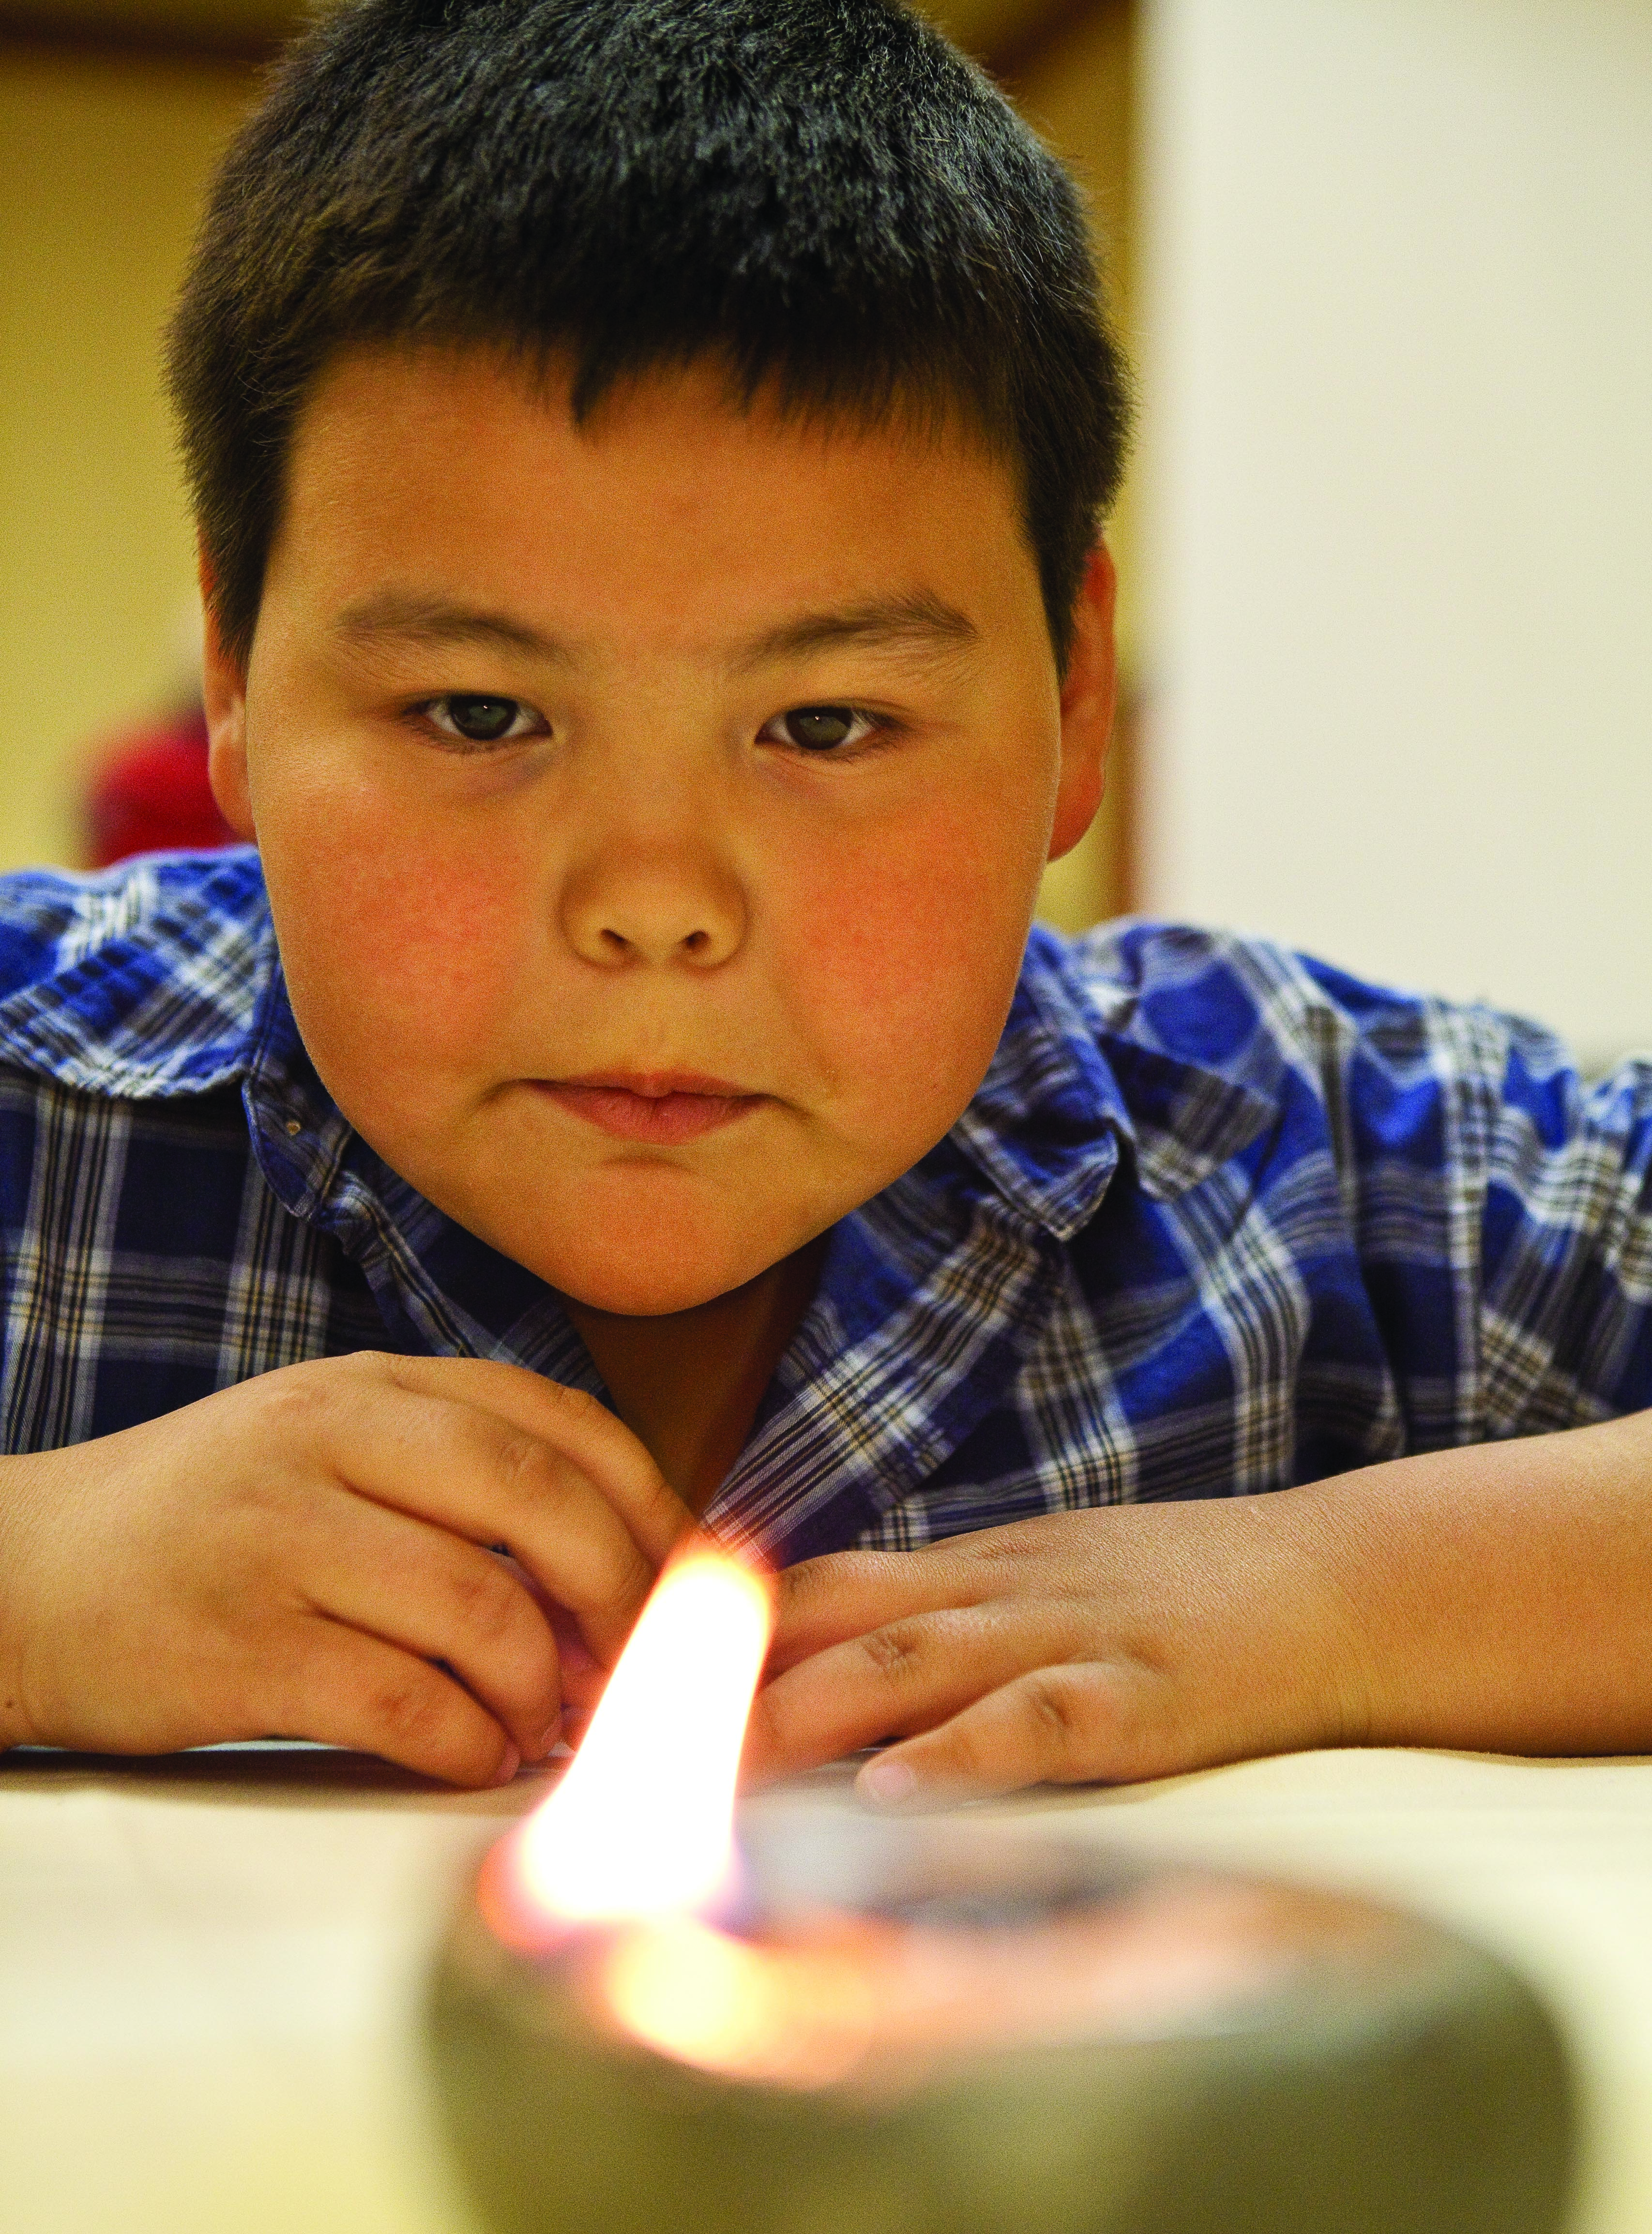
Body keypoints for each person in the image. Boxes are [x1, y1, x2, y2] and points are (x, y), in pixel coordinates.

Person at [1, 0, 1649, 1799]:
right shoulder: (36, 1112)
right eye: (479, 714)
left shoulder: (1340, 1172)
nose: (653, 907)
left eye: (825, 723)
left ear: (1073, 700)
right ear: (234, 682)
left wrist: (1341, 1594)